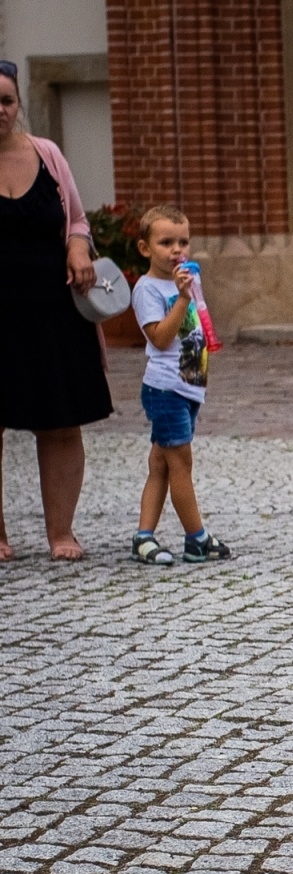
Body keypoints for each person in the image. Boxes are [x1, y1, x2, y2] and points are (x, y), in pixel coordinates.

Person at [0, 59, 112, 562]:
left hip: (53, 311)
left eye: (5, 100)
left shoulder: (47, 154)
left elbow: (78, 219)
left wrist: (78, 248)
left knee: (61, 423)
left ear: (19, 104)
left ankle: (60, 532)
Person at [128, 205, 231, 565]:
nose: (177, 250)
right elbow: (159, 338)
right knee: (181, 464)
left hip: (188, 388)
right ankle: (197, 538)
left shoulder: (186, 281)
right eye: (166, 242)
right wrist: (183, 297)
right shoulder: (147, 289)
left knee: (160, 464)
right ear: (145, 248)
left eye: (183, 241)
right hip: (165, 389)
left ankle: (143, 537)